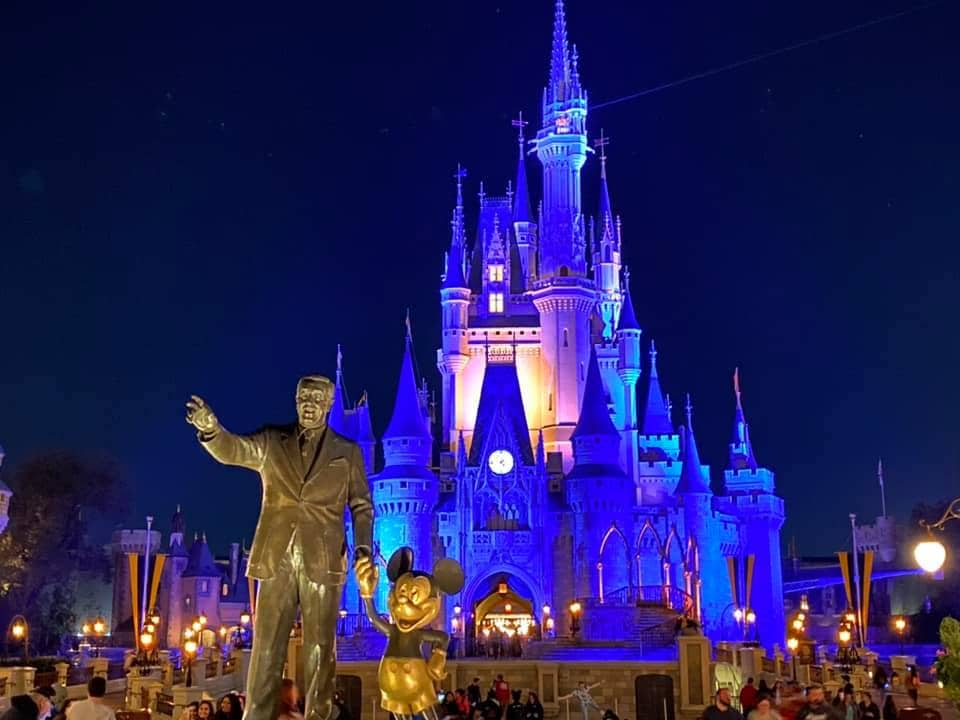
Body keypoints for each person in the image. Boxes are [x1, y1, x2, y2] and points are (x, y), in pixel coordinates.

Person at [186, 378, 373, 720]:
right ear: (295, 399)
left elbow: (361, 505)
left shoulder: (347, 451)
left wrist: (363, 550)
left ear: (329, 404)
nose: (309, 403)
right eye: (303, 397)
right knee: (267, 647)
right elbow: (235, 450)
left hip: (324, 559)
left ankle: (318, 714)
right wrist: (212, 431)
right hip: (276, 557)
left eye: (317, 398)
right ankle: (256, 714)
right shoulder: (273, 441)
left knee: (320, 649)